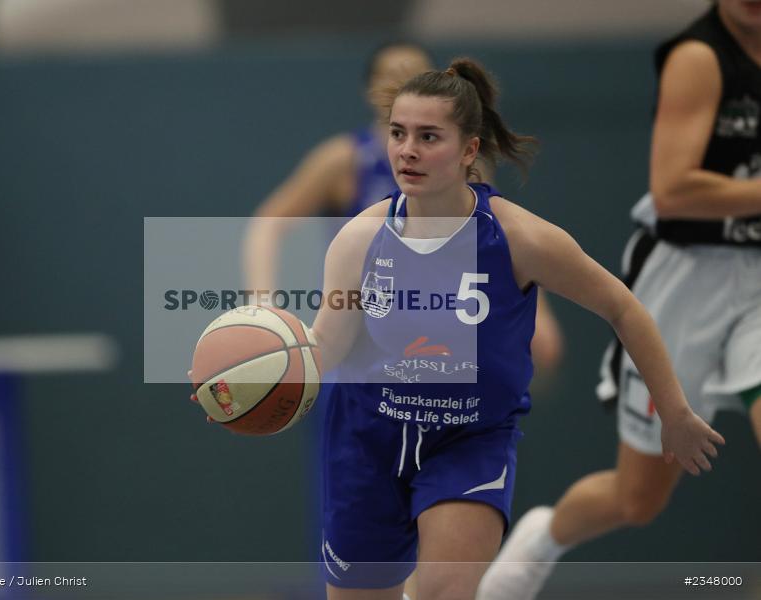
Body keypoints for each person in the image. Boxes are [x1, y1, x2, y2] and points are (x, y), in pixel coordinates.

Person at [303, 56, 723, 600]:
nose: (408, 150)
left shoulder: (520, 239)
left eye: (429, 136)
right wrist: (249, 373)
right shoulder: (360, 238)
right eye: (398, 133)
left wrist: (675, 411)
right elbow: (326, 343)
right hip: (366, 442)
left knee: (443, 592)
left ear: (470, 150)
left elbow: (624, 308)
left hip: (468, 440)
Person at [476, 2, 761, 599]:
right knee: (637, 500)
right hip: (690, 281)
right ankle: (541, 538)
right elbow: (674, 188)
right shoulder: (700, 57)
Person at [242, 42, 564, 376]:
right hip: (356, 343)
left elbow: (496, 241)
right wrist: (262, 303)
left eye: (416, 73)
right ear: (370, 90)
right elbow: (268, 223)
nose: (405, 80)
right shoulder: (345, 160)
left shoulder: (464, 165)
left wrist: (535, 309)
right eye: (392, 75)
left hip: (432, 341)